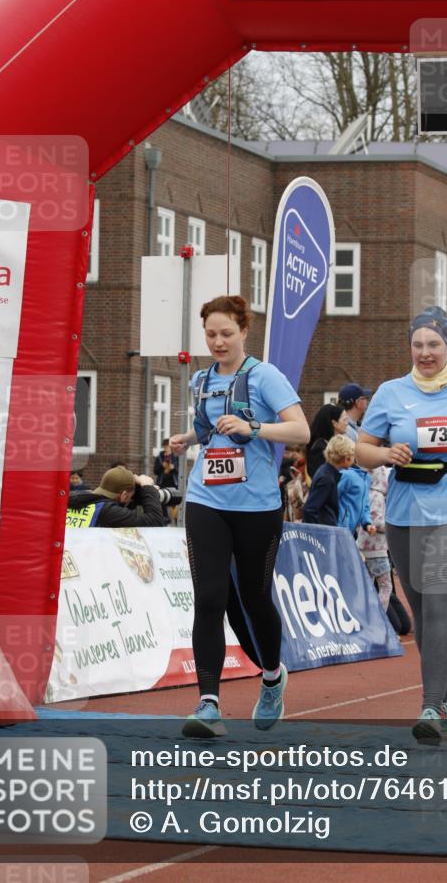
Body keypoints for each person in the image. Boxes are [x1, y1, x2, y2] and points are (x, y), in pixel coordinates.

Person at [356, 305, 447, 744]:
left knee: (439, 604)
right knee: (421, 611)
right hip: (406, 509)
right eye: (417, 344)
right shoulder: (390, 393)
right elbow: (362, 449)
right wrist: (386, 454)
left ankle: (431, 706)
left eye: (433, 344)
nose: (425, 352)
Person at [169, 295, 309, 739]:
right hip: (206, 500)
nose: (218, 342)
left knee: (254, 597)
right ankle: (208, 704)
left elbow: (301, 429)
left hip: (257, 506)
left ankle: (272, 676)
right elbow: (212, 429)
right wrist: (188, 437)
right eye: (211, 334)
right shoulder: (202, 379)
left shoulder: (265, 376)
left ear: (244, 331)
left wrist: (255, 428)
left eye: (226, 333)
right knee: (209, 598)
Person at [66, 466, 175, 528]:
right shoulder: (108, 511)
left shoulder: (72, 498)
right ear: (124, 495)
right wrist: (147, 487)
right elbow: (155, 521)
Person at [357, 466, 394, 612]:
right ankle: (378, 617)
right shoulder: (377, 496)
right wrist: (392, 526)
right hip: (376, 549)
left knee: (368, 587)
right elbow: (376, 522)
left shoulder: (364, 493)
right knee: (386, 586)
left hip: (363, 546)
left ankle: (366, 615)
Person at [303, 434, 355, 527]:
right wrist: (318, 532)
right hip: (322, 530)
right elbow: (310, 509)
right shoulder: (327, 478)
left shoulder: (327, 472)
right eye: (352, 456)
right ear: (346, 458)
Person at [306, 403, 349, 480]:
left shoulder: (335, 444)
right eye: (344, 420)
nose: (347, 423)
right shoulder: (320, 449)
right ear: (334, 423)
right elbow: (320, 477)